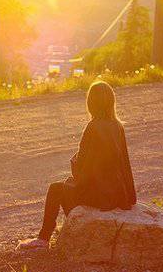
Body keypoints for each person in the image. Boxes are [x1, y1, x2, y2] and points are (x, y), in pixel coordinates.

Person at [18, 81, 137, 250]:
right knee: (67, 184)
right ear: (111, 101)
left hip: (101, 196)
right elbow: (122, 163)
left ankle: (44, 239)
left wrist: (74, 162)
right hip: (117, 193)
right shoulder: (117, 126)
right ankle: (73, 229)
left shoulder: (93, 127)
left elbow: (84, 170)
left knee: (56, 189)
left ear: (91, 103)